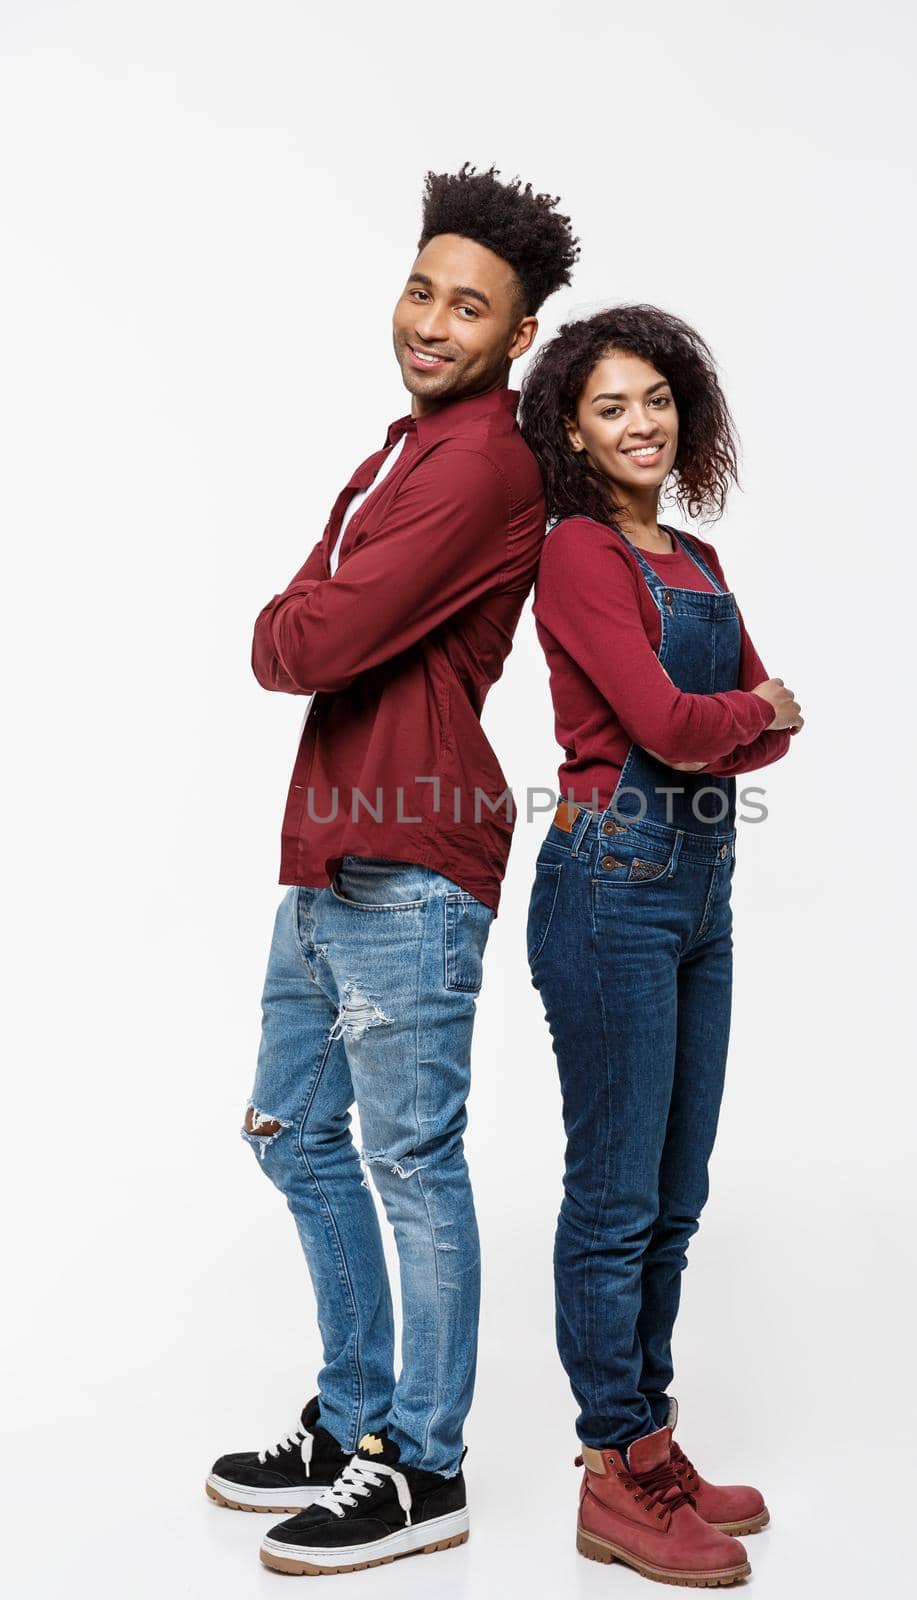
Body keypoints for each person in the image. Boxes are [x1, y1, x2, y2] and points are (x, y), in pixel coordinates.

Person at [205, 164, 579, 1578]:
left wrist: (298, 621)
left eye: (467, 306)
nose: (430, 320)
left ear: (517, 334)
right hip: (334, 843)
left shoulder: (482, 458)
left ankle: (421, 1465)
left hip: (412, 856)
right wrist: (302, 619)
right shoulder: (402, 446)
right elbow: (308, 625)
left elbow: (304, 640)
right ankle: (355, 1412)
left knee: (409, 1164)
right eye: (421, 289)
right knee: (294, 1134)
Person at [519, 305, 802, 1588]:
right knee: (616, 1194)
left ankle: (648, 1436)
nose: (641, 423)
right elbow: (676, 725)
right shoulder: (577, 550)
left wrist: (726, 719)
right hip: (608, 883)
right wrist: (742, 715)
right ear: (571, 432)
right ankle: (608, 1472)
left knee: (675, 1198)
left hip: (700, 887)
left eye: (656, 400)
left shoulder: (688, 554)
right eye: (609, 407)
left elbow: (741, 725)